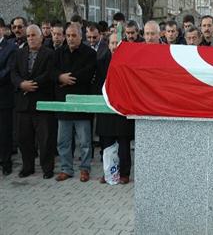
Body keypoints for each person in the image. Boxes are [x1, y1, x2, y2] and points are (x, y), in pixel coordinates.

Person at [11, 25, 55, 179]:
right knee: (24, 138)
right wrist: (21, 84)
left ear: (41, 37)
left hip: (41, 102)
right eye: (28, 36)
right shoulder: (19, 53)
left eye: (34, 35)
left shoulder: (49, 54)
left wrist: (31, 84)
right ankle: (27, 167)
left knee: (45, 139)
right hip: (23, 103)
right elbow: (13, 73)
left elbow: (49, 74)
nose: (30, 38)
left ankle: (47, 168)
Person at [53, 24, 96, 182]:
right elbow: (51, 70)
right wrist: (59, 77)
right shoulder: (58, 53)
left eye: (74, 35)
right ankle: (66, 169)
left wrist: (68, 79)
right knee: (63, 141)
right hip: (63, 103)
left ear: (80, 36)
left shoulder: (89, 53)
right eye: (68, 35)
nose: (70, 38)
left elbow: (88, 72)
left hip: (81, 103)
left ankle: (85, 169)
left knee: (84, 141)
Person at [97, 33, 134, 184]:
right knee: (106, 143)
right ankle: (108, 172)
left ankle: (124, 173)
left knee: (123, 145)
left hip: (121, 109)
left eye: (117, 43)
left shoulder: (128, 62)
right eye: (112, 43)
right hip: (106, 107)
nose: (114, 46)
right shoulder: (101, 61)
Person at [0, 19, 16, 176]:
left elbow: (8, 70)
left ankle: (6, 162)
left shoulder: (10, 47)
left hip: (3, 97)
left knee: (4, 132)